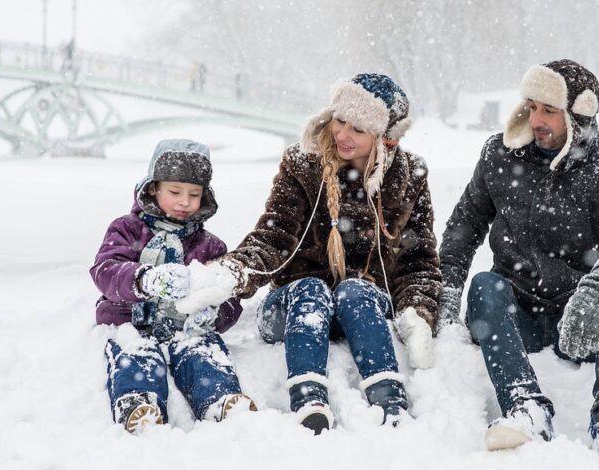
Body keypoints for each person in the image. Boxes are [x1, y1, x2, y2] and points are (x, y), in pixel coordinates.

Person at [438, 60, 599, 458]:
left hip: (583, 321)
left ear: (578, 115)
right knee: (484, 285)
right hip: (516, 315)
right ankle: (525, 407)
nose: (536, 119)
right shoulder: (499, 155)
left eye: (549, 110)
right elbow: (463, 228)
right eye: (531, 106)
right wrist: (444, 294)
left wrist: (598, 289)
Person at [212, 73, 441, 434]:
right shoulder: (302, 164)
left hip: (360, 309)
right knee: (311, 290)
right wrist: (233, 272)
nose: (343, 135)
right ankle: (308, 397)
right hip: (294, 306)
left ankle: (389, 398)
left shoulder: (410, 175)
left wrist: (418, 310)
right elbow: (275, 235)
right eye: (340, 120)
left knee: (356, 290)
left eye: (359, 129)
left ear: (385, 138)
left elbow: (419, 258)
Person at [90, 138, 256, 433]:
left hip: (185, 328)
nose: (184, 202)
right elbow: (105, 270)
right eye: (175, 192)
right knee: (137, 353)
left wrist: (214, 313)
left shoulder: (210, 246)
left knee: (203, 352)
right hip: (131, 322)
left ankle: (219, 399)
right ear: (153, 187)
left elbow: (228, 295)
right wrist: (144, 279)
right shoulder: (127, 229)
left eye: (194, 194)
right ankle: (138, 402)